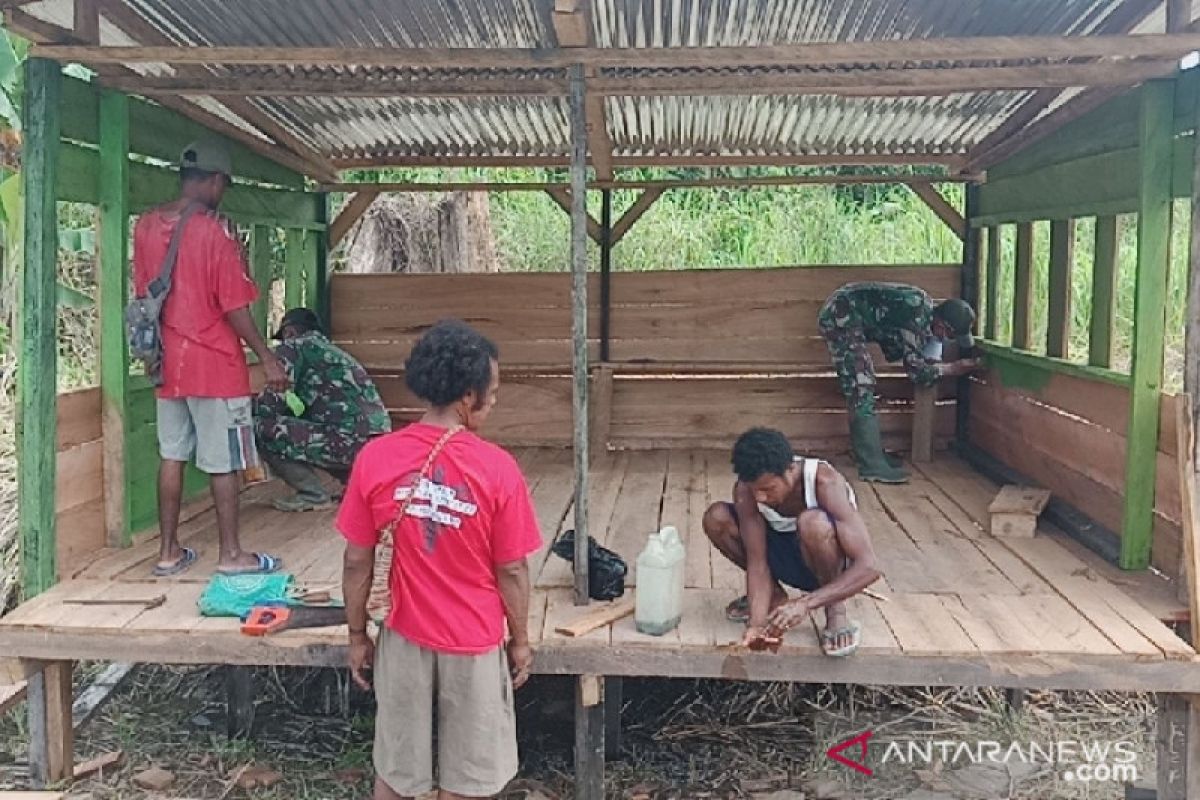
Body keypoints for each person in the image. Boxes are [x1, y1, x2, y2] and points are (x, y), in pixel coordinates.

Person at [339, 319, 540, 800]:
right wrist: (521, 640)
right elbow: (511, 569)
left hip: (404, 636)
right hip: (472, 639)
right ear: (468, 398)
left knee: (396, 769)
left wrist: (355, 634)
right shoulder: (498, 468)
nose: (493, 402)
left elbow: (355, 560)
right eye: (492, 392)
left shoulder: (376, 457)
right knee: (467, 778)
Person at [133, 140, 288, 577]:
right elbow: (234, 306)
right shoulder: (216, 230)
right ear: (216, 181)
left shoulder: (144, 226)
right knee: (225, 462)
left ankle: (167, 553)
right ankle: (232, 555)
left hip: (167, 363)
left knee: (172, 455)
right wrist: (267, 357)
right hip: (216, 365)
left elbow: (144, 293)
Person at [703, 427, 881, 657]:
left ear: (790, 470)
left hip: (826, 565)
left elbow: (870, 566)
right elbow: (757, 562)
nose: (761, 498)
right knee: (717, 517)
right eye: (755, 490)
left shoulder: (824, 482)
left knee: (813, 523)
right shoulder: (747, 491)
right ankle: (774, 596)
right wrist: (757, 627)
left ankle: (835, 609)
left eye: (768, 489)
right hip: (781, 558)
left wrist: (806, 604)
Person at [818, 281, 979, 484]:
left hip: (852, 313)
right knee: (861, 384)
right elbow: (917, 372)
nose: (948, 340)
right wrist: (952, 368)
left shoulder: (923, 312)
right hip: (840, 316)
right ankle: (871, 464)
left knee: (865, 380)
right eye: (950, 335)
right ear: (941, 325)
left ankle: (872, 455)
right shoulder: (917, 316)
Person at [254, 307, 391, 511]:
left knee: (261, 426)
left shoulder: (294, 347)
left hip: (348, 442)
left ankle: (313, 495)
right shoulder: (329, 350)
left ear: (289, 332)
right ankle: (354, 487)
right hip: (375, 446)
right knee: (320, 431)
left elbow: (271, 405)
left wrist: (249, 405)